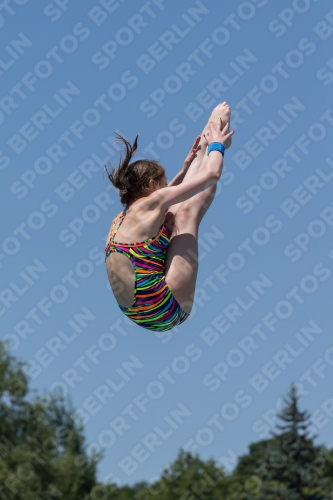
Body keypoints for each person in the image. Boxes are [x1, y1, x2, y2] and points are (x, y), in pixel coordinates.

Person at [105, 102, 234, 332]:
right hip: (164, 308)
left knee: (170, 217)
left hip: (137, 312)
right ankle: (212, 143)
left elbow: (163, 202)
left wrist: (185, 170)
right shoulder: (153, 204)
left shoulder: (121, 218)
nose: (167, 187)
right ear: (153, 185)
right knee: (184, 214)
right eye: (164, 183)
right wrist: (218, 146)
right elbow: (212, 175)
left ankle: (205, 150)